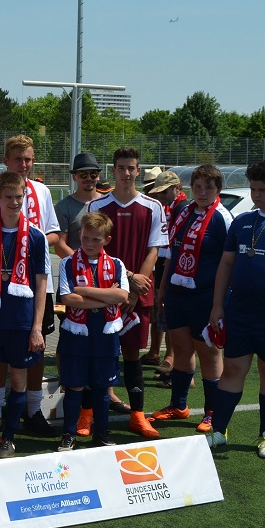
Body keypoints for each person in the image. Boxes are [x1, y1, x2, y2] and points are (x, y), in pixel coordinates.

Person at [205, 158, 265, 459]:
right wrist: (217, 306)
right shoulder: (243, 221)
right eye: (253, 189)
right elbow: (226, 264)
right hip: (240, 312)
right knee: (233, 368)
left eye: (262, 190)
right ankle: (218, 432)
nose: (256, 195)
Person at [0, 135, 59, 438]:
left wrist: (24, 249)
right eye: (18, 158)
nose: (24, 164)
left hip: (28, 293)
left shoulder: (42, 192)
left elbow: (51, 234)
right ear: (6, 160)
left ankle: (32, 411)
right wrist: (0, 262)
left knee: (32, 354)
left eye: (29, 159)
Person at [88, 147, 168, 439]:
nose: (126, 173)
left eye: (131, 167)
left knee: (133, 354)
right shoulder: (97, 206)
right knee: (97, 354)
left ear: (138, 170)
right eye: (121, 167)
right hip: (105, 291)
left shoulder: (152, 206)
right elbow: (95, 247)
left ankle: (137, 416)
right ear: (114, 170)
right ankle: (88, 413)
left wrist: (137, 285)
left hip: (139, 293)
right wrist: (128, 280)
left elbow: (154, 249)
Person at [148, 165, 232, 432]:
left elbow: (230, 263)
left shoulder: (222, 217)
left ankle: (212, 412)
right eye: (198, 187)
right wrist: (162, 290)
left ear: (218, 189)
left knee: (209, 355)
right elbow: (171, 254)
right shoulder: (183, 212)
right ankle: (179, 405)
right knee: (182, 350)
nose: (203, 192)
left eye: (208, 187)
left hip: (205, 296)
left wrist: (220, 303)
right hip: (177, 293)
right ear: (190, 188)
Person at [54, 152, 126, 430]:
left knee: (102, 376)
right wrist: (82, 263)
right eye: (82, 174)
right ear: (74, 176)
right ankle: (76, 423)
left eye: (93, 173)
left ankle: (102, 415)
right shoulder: (65, 206)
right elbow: (61, 245)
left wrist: (89, 288)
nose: (88, 178)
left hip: (95, 292)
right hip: (78, 282)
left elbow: (120, 296)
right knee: (74, 373)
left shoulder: (105, 204)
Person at [56, 212, 130, 450]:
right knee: (74, 385)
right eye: (86, 238)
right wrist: (105, 299)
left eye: (96, 239)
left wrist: (85, 290)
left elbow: (122, 296)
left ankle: (102, 433)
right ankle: (69, 434)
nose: (89, 244)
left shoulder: (117, 264)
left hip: (105, 334)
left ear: (106, 240)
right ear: (80, 235)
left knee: (101, 386)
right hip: (76, 334)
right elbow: (69, 298)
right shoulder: (68, 262)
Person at [143, 171, 189, 381]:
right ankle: (176, 368)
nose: (159, 196)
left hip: (177, 273)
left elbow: (173, 249)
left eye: (163, 191)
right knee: (168, 319)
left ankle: (179, 368)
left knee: (176, 324)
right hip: (170, 271)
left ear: (176, 188)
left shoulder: (182, 209)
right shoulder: (175, 208)